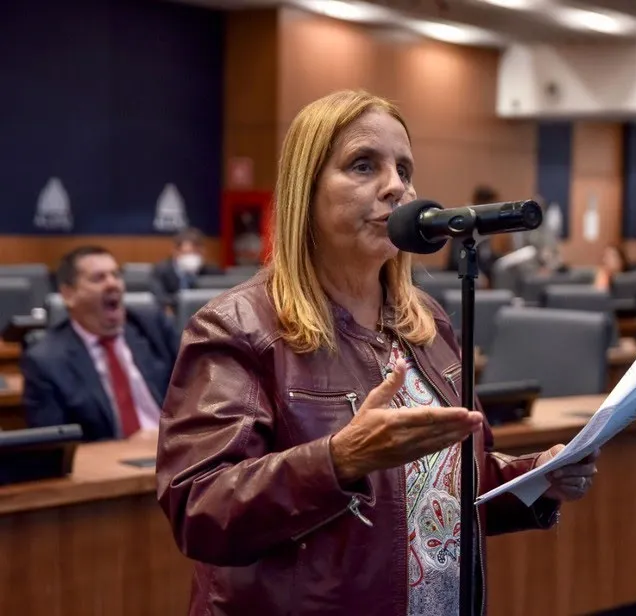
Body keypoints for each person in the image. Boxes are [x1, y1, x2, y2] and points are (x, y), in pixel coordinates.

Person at [155, 90, 599, 616]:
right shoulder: (239, 327)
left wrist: (532, 476)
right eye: (363, 165)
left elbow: (438, 493)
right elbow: (201, 508)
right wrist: (339, 461)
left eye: (404, 170)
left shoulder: (426, 323)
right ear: (307, 190)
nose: (396, 187)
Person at [21, 246, 178, 442]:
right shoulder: (45, 360)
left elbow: (197, 390)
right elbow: (52, 448)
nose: (113, 284)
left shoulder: (153, 328)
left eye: (116, 275)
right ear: (69, 294)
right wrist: (125, 448)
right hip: (111, 465)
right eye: (98, 278)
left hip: (178, 451)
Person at [150, 227, 223, 311]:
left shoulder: (213, 272)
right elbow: (160, 298)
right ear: (175, 251)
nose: (191, 257)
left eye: (196, 253)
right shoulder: (161, 271)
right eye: (187, 253)